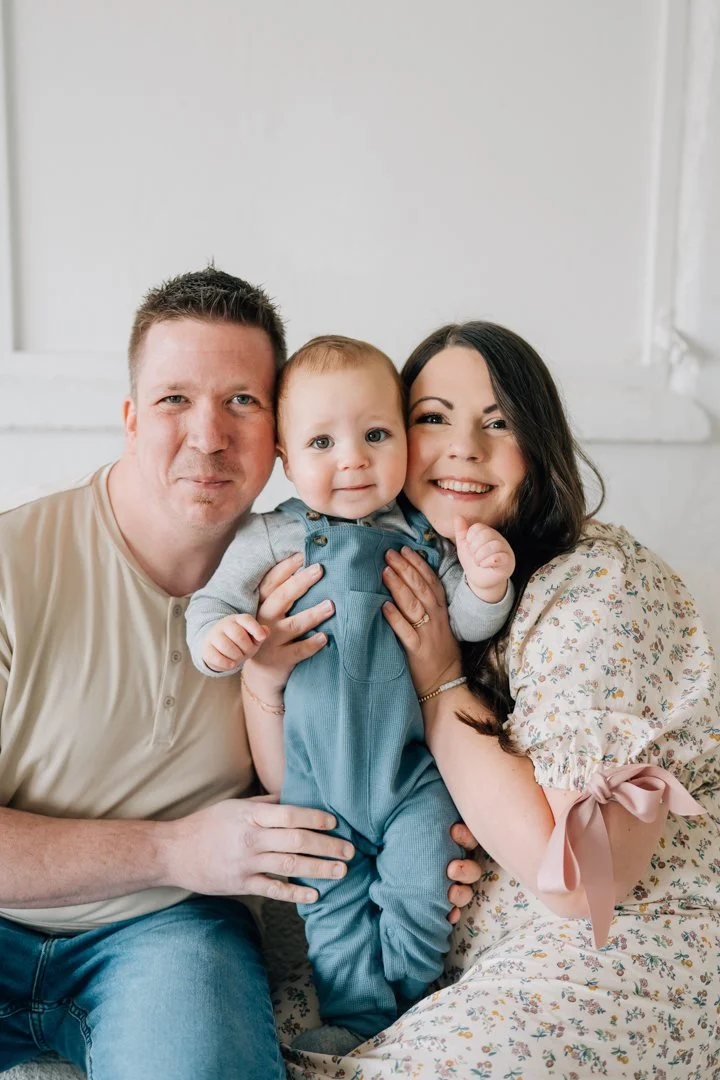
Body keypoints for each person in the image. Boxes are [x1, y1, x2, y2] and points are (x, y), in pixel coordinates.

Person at [0, 269, 479, 1080]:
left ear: (281, 437)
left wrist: (441, 841)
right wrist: (172, 849)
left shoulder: (322, 568)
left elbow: (375, 756)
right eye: (174, 399)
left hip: (165, 938)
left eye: (242, 402)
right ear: (128, 419)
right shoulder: (15, 566)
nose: (209, 435)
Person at [263, 322, 720, 1078]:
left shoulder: (596, 586)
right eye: (433, 416)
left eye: (498, 422)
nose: (463, 448)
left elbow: (586, 880)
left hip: (626, 942)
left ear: (540, 445)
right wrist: (260, 675)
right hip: (450, 941)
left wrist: (441, 680)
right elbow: (302, 783)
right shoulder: (400, 566)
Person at [185, 335, 516, 1055]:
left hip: (410, 776)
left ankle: (412, 995)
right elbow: (209, 604)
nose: (354, 459)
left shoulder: (424, 535)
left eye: (375, 435)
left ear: (401, 435)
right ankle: (360, 1019)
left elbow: (466, 618)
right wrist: (219, 639)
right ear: (285, 458)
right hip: (315, 787)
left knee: (425, 888)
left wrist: (488, 581)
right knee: (329, 910)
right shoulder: (272, 535)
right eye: (323, 441)